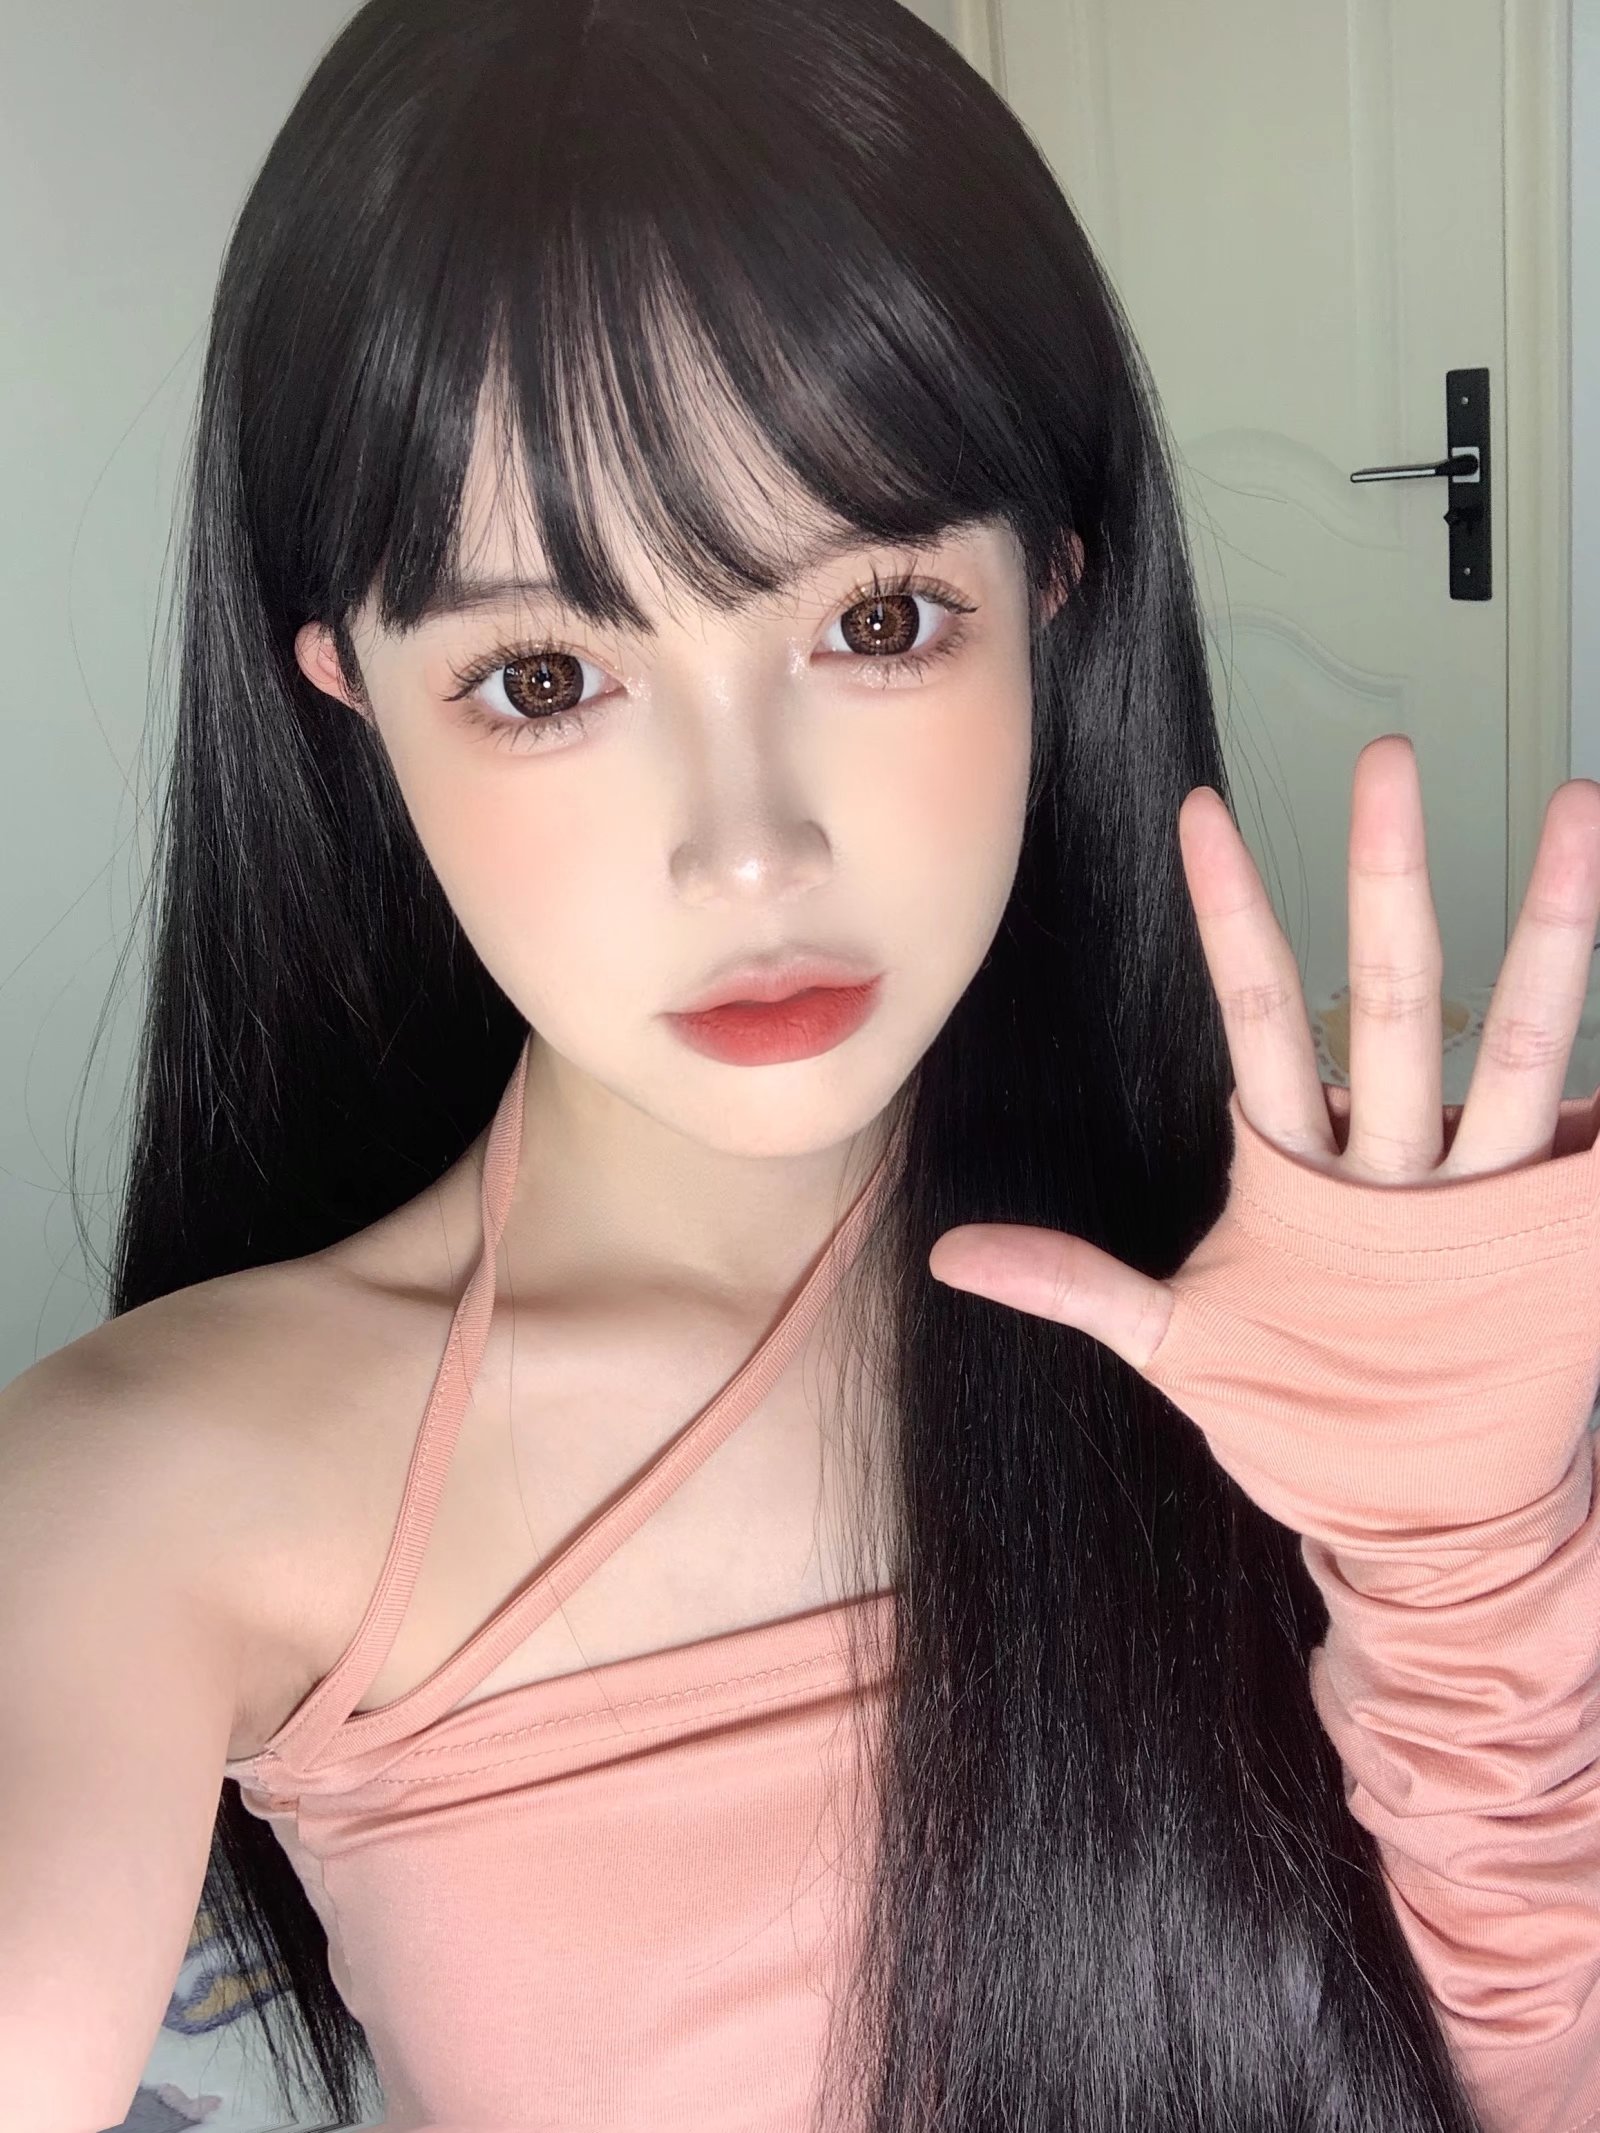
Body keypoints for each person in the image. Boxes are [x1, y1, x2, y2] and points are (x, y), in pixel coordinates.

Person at [2, 0, 1598, 2128]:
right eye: (544, 673)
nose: (746, 846)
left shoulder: (1303, 1298)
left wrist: (1470, 1563)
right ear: (351, 697)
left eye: (873, 622)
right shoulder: (154, 1488)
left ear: (1051, 587)